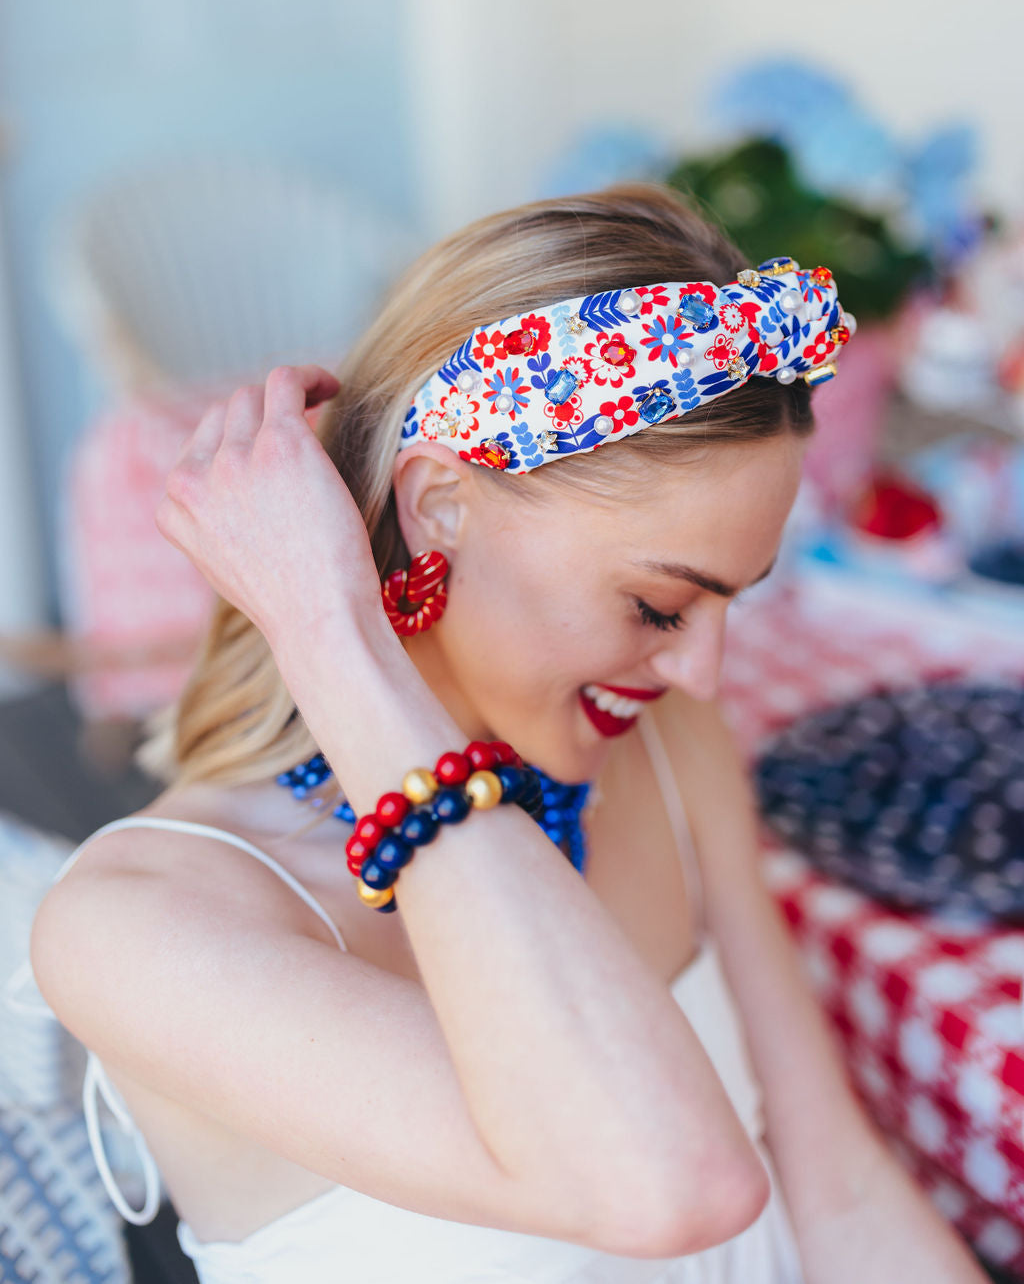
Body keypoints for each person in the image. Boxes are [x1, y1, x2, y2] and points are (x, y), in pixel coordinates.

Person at [22, 186, 987, 1283]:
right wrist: (327, 629)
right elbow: (667, 1181)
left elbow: (840, 1187)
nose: (701, 671)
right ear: (437, 505)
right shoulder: (138, 926)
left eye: (735, 599)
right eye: (659, 606)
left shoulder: (671, 748)